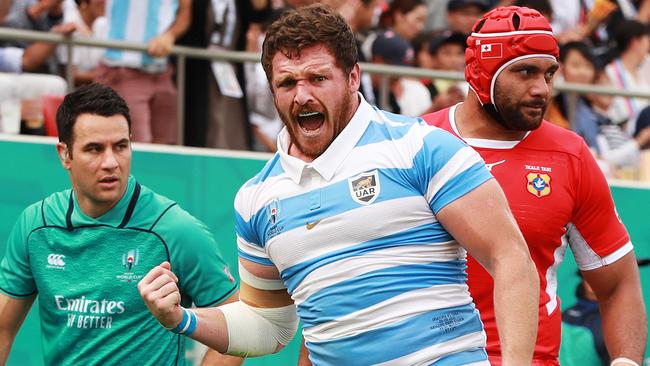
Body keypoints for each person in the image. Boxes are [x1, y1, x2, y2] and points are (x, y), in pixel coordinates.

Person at [138, 4, 540, 365]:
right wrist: (182, 319)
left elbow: (511, 259)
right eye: (287, 83)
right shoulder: (257, 199)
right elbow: (269, 327)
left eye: (317, 78)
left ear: (352, 77)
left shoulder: (421, 147)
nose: (302, 95)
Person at [422, 6, 647, 365]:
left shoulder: (571, 155)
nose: (541, 89)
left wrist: (626, 362)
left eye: (549, 73)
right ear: (481, 71)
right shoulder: (414, 144)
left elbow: (617, 282)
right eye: (525, 72)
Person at [0, 83, 242, 365]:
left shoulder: (176, 230)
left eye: (121, 146)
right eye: (94, 149)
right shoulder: (35, 225)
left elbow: (236, 325)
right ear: (65, 155)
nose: (111, 162)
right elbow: (2, 331)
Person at [95, 0, 191, 144]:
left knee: (165, 148)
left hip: (162, 72)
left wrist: (170, 35)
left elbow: (184, 14)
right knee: (136, 147)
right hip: (122, 68)